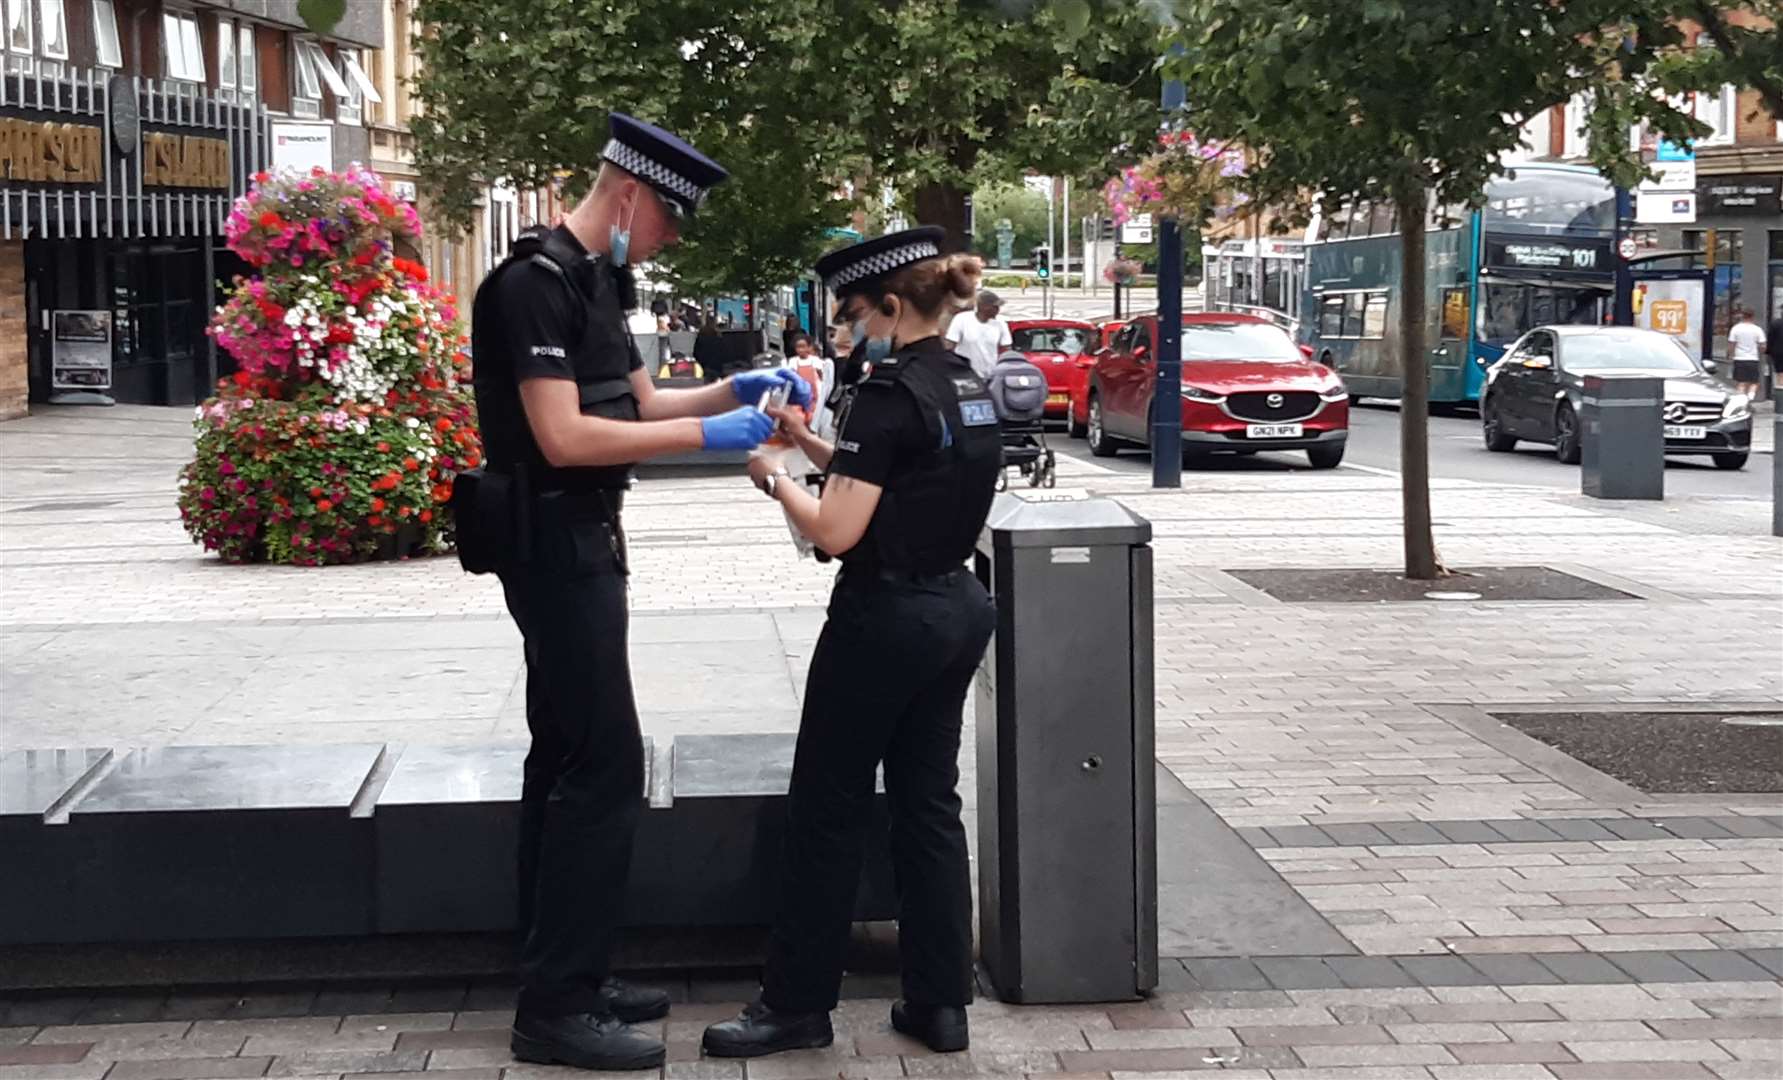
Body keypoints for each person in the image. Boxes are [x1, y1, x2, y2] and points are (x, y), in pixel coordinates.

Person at [471, 112, 809, 1073]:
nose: (669, 238)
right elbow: (565, 440)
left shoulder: (590, 281)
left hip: (586, 539)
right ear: (628, 197)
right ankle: (554, 1009)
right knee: (604, 766)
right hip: (550, 542)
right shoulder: (529, 286)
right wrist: (702, 444)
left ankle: (563, 970)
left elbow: (646, 404)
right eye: (668, 219)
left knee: (566, 757)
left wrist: (740, 392)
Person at [702, 227, 1003, 1060]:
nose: (848, 324)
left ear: (891, 304)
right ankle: (940, 1004)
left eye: (854, 309)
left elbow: (837, 529)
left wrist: (776, 479)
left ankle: (795, 1005)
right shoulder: (963, 382)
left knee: (826, 811)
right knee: (927, 807)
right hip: (956, 608)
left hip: (883, 620)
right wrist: (810, 444)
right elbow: (901, 474)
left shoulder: (886, 390)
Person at [944, 289, 1013, 379]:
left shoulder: (1001, 323)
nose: (998, 310)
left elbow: (1007, 349)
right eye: (995, 307)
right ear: (983, 306)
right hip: (967, 375)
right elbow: (949, 346)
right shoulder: (962, 319)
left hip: (991, 376)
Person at [1729, 309, 1767, 401]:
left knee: (1741, 383)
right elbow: (1763, 345)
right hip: (1753, 359)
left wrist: (1731, 355)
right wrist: (1760, 352)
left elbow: (1731, 344)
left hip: (1739, 358)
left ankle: (1740, 400)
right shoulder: (1757, 329)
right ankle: (1750, 397)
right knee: (1754, 382)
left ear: (1742, 316)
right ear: (1752, 317)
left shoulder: (1736, 328)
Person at [693, 315, 725, 383]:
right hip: (716, 365)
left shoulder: (701, 334)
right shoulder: (717, 335)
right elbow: (722, 351)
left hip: (704, 364)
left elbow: (696, 352)